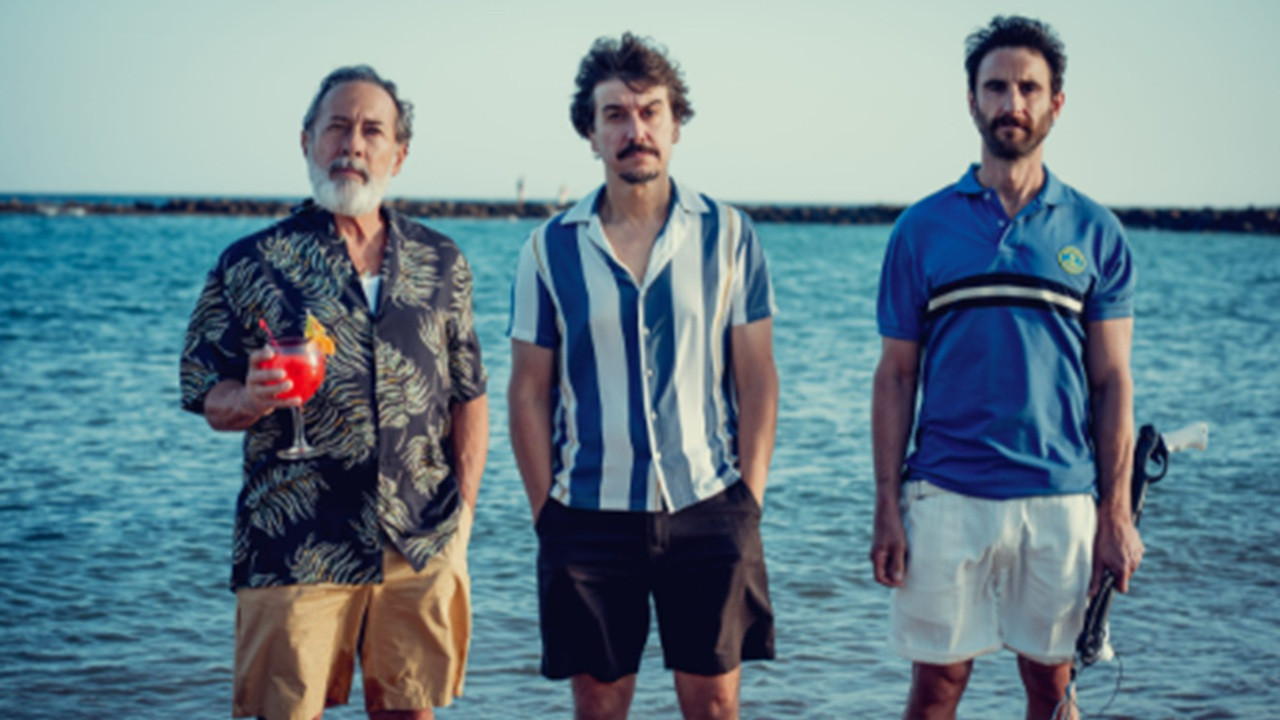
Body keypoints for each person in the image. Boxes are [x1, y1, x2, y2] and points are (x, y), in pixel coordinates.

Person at [180, 65, 489, 720]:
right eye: (337, 127)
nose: (353, 143)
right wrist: (252, 399)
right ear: (307, 142)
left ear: (398, 154)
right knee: (284, 712)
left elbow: (469, 393)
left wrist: (461, 515)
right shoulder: (251, 262)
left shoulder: (443, 263)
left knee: (409, 710)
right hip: (294, 537)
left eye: (372, 130)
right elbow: (207, 389)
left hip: (419, 537)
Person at [869, 16, 1144, 719]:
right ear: (971, 101)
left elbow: (1112, 382)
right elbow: (897, 375)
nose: (1011, 103)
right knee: (938, 685)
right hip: (944, 493)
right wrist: (886, 510)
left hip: (1059, 497)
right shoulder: (921, 230)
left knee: (1051, 687)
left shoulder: (1094, 232)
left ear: (1057, 103)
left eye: (1029, 88)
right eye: (996, 87)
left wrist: (1115, 513)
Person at [507, 32, 779, 720]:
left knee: (715, 707)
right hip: (588, 518)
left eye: (651, 112)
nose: (637, 131)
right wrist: (551, 517)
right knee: (599, 708)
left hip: (710, 507)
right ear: (591, 134)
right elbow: (528, 391)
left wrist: (748, 498)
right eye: (616, 116)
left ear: (675, 124)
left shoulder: (730, 234)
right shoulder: (548, 250)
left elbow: (757, 379)